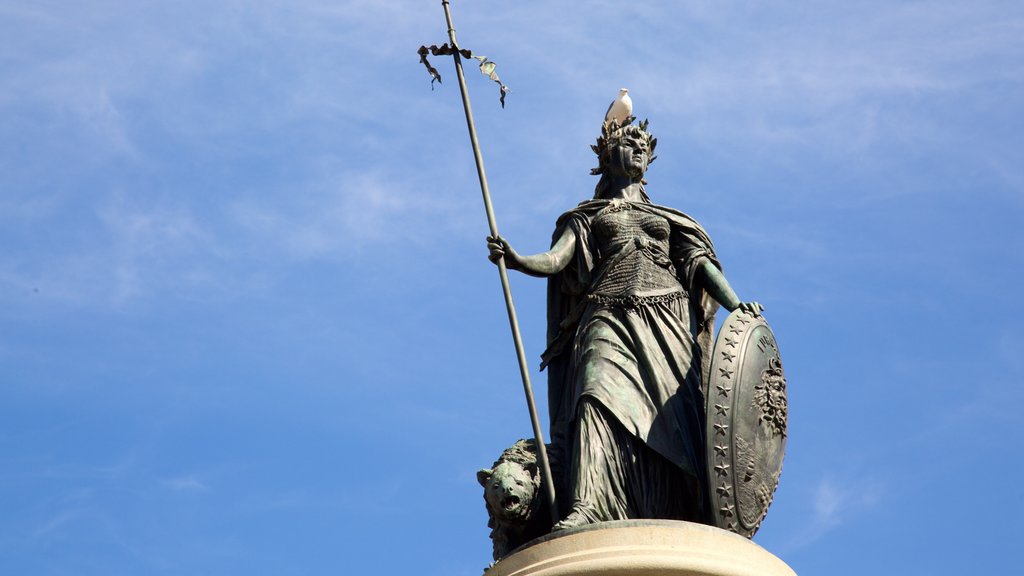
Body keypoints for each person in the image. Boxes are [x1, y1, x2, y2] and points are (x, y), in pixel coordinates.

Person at [487, 117, 762, 529]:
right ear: (606, 155)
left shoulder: (669, 218)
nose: (638, 150)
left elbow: (700, 266)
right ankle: (590, 504)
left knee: (674, 421)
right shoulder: (587, 217)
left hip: (667, 321)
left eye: (644, 146)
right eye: (629, 142)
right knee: (593, 394)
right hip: (606, 314)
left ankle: (674, 508)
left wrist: (738, 305)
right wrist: (516, 259)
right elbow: (557, 261)